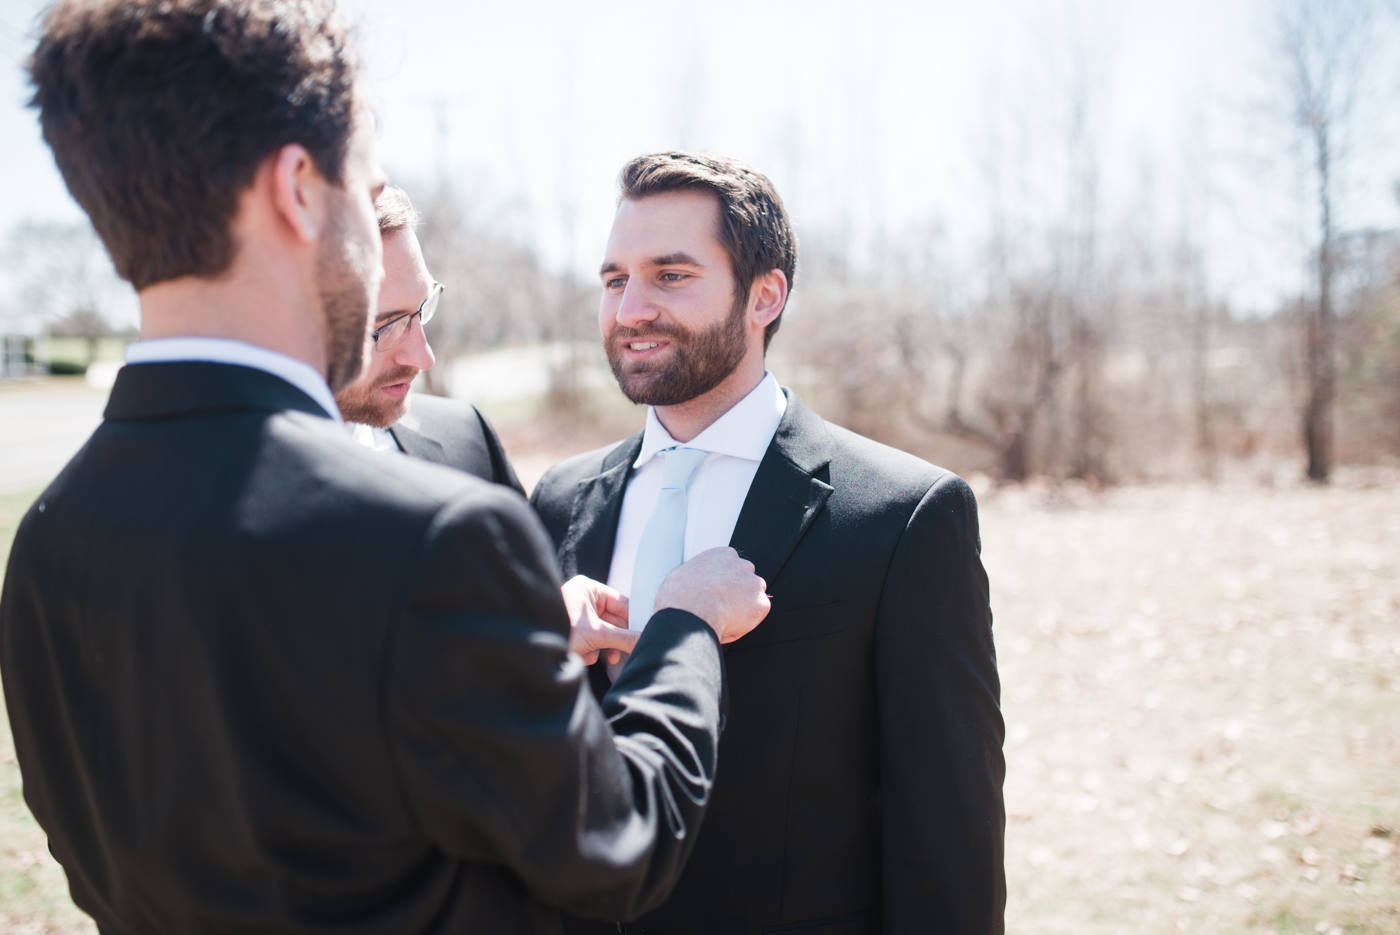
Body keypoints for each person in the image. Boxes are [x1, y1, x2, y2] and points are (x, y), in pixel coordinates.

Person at [0, 4, 769, 933]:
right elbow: (619, 848)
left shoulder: (45, 546)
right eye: (363, 183)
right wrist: (684, 623)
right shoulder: (427, 536)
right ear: (299, 191)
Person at [531, 152, 1006, 934]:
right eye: (615, 279)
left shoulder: (903, 517)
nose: (629, 309)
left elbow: (947, 844)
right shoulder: (558, 500)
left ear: (765, 294)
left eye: (670, 275)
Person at [336, 186, 524, 493]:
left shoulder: (469, 442)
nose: (424, 357)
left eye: (423, 308)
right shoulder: (233, 487)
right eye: (387, 326)